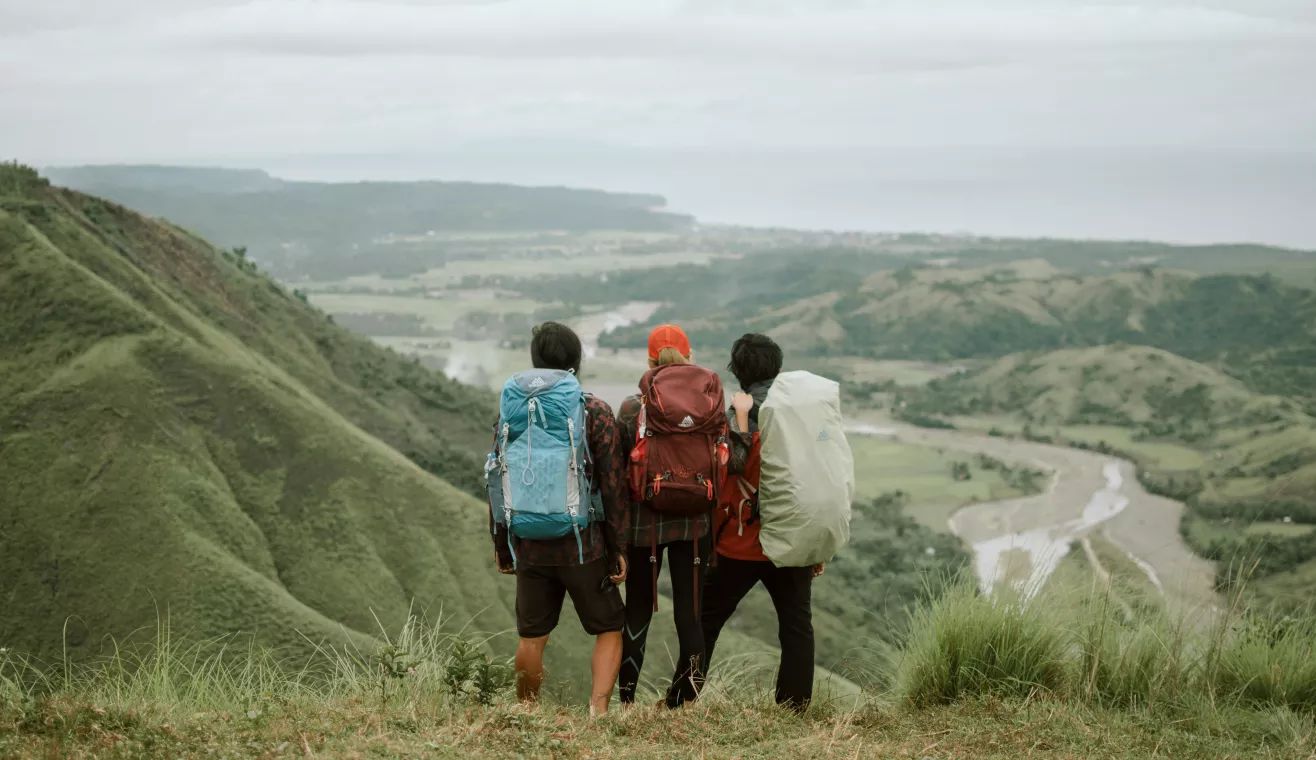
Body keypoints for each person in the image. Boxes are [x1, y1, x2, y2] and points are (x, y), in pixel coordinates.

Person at [671, 333, 823, 712]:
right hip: (792, 536)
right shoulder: (803, 413)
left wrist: (739, 418)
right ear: (779, 368)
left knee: (706, 620)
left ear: (738, 373)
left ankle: (680, 701)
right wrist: (815, 540)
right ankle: (794, 708)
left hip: (741, 540)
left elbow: (730, 468)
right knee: (796, 625)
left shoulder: (741, 413)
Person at [490, 321, 630, 716]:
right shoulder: (594, 411)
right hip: (584, 545)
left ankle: (527, 712)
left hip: (529, 545)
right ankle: (598, 712)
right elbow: (613, 484)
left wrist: (503, 545)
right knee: (608, 628)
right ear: (574, 362)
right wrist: (619, 546)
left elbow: (497, 481)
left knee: (532, 636)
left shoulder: (511, 415)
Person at [614, 324, 714, 708]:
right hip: (695, 524)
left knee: (638, 611)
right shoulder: (709, 405)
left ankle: (625, 702)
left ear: (651, 360)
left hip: (644, 527)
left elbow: (619, 469)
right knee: (689, 617)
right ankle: (682, 704)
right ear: (689, 357)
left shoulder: (632, 406)